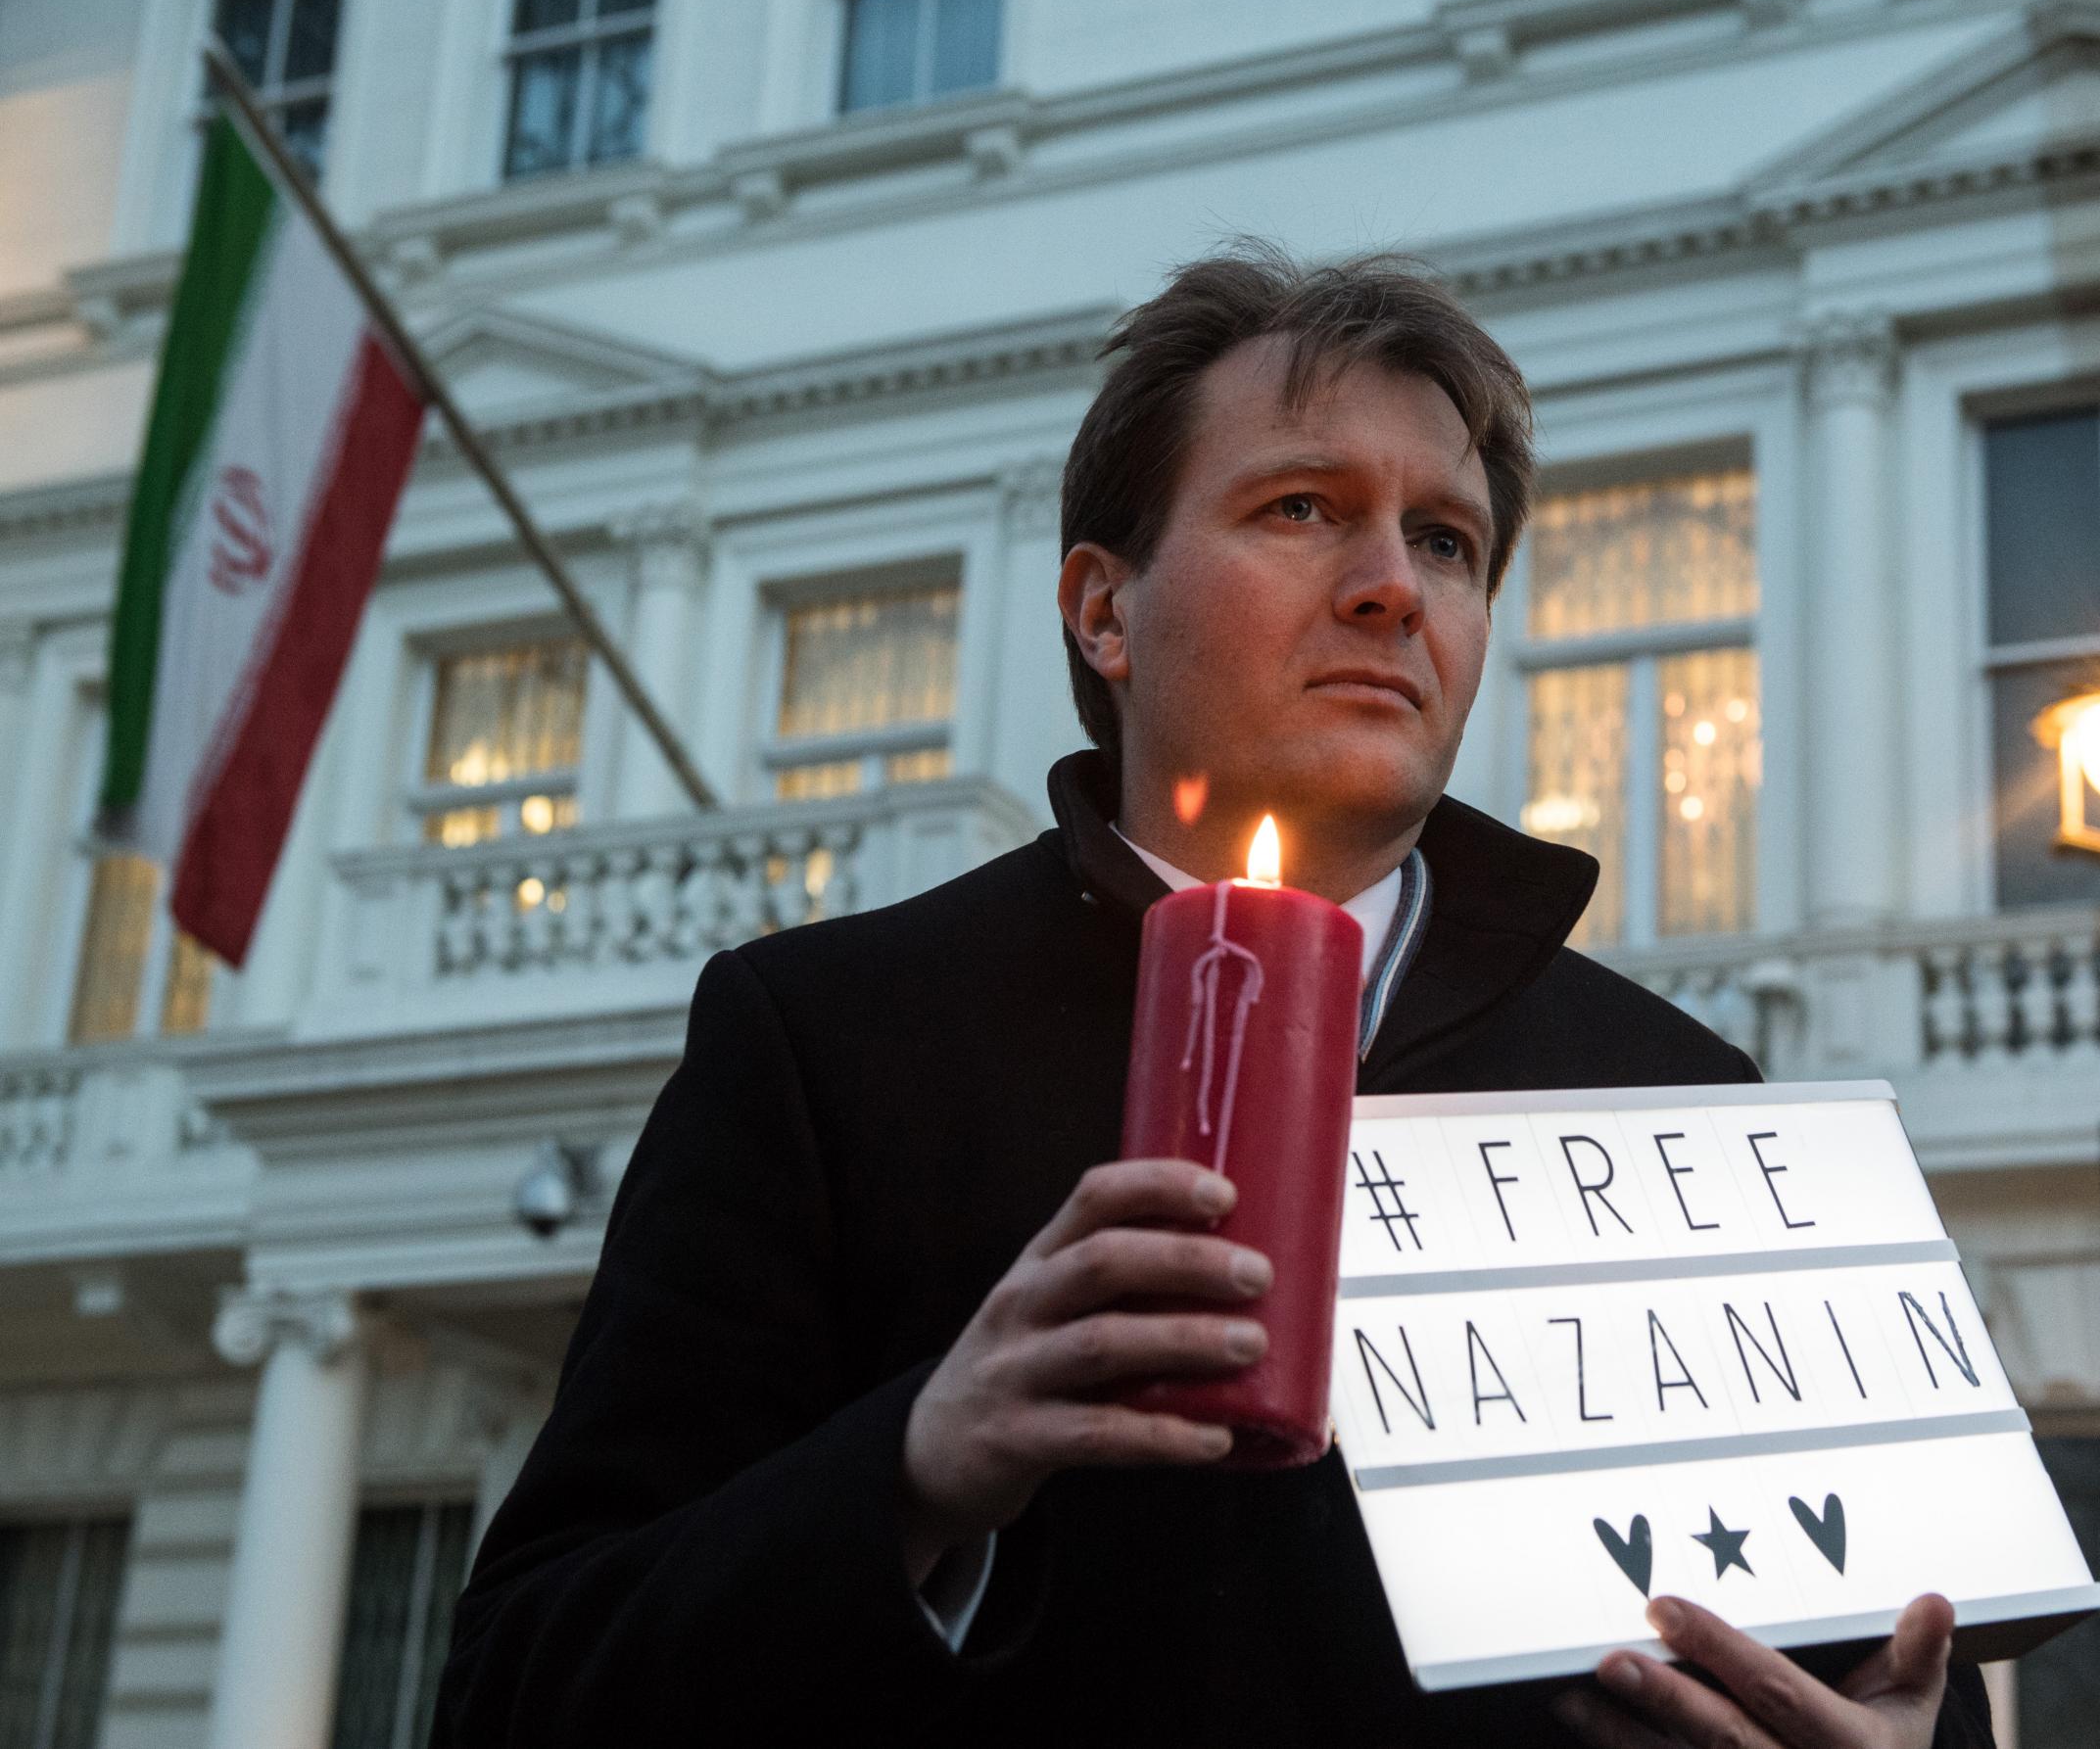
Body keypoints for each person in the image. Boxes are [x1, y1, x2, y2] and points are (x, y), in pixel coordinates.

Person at [431, 244, 1996, 1749]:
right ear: (1104, 611)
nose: (1393, 586)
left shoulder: (1687, 1104)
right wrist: (915, 1469)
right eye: (1305, 508)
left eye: (1446, 541)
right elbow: (521, 1684)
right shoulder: (829, 1041)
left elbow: (1896, 1681)